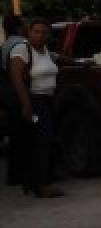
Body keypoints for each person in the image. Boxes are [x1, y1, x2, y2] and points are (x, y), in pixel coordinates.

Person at [8, 19, 64, 198]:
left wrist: (84, 62)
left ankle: (34, 182)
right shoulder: (21, 50)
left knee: (43, 139)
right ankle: (41, 185)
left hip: (47, 100)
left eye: (44, 32)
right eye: (36, 32)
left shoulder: (46, 51)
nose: (40, 35)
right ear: (28, 32)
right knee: (41, 140)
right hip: (33, 101)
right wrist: (27, 106)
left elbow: (58, 59)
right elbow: (16, 79)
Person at [3, 14, 27, 187]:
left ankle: (14, 175)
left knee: (15, 136)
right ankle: (23, 175)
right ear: (19, 27)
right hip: (20, 94)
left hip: (8, 95)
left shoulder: (5, 45)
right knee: (24, 135)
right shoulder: (21, 44)